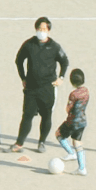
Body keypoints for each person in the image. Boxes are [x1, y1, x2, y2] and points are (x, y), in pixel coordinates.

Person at [10, 16, 68, 153]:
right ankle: (19, 143)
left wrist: (61, 77)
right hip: (31, 88)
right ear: (35, 29)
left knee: (46, 116)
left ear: (49, 30)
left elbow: (64, 61)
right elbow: (18, 60)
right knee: (27, 115)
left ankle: (41, 142)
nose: (41, 31)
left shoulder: (54, 47)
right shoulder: (29, 44)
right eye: (39, 29)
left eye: (44, 29)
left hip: (48, 88)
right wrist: (23, 77)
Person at [56, 68, 90, 176]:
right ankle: (82, 168)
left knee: (59, 134)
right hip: (82, 121)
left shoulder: (73, 94)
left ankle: (71, 153)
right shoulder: (86, 91)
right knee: (77, 142)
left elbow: (68, 108)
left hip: (73, 121)